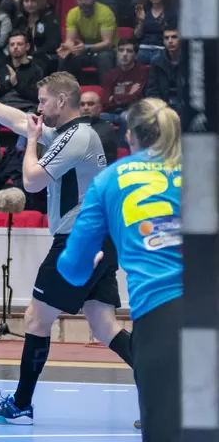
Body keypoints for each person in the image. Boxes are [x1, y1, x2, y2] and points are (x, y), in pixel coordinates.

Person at [0, 72, 133, 425]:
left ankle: (20, 402)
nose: (39, 106)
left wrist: (32, 142)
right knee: (104, 324)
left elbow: (32, 179)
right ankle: (165, 391)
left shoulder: (78, 136)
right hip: (98, 237)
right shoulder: (71, 133)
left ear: (62, 101)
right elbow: (20, 121)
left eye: (44, 100)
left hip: (79, 240)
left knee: (35, 319)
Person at [57, 97, 182, 441]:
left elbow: (71, 268)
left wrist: (90, 264)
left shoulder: (110, 179)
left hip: (162, 315)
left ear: (131, 136)